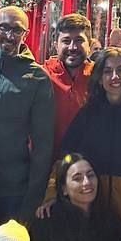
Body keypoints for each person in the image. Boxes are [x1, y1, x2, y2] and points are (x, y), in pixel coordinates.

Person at [58, 46, 121, 221]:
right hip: (92, 208)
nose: (114, 77)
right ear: (99, 78)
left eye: (120, 70)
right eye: (107, 71)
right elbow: (66, 156)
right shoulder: (88, 113)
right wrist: (53, 192)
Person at [0, 6, 54, 224]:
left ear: (24, 35)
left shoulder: (36, 78)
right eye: (4, 28)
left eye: (17, 30)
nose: (9, 35)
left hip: (11, 189)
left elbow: (43, 145)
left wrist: (32, 199)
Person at [42, 12, 95, 152]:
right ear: (55, 45)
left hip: (89, 165)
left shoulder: (100, 76)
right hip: (48, 165)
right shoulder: (41, 76)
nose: (72, 47)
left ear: (89, 44)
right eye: (66, 41)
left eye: (79, 40)